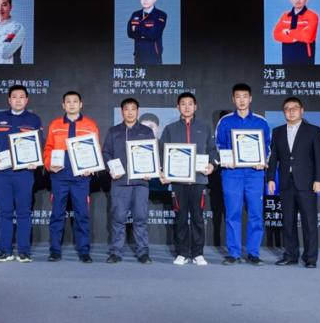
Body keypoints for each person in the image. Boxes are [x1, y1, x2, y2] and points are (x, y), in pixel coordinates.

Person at [0, 85, 43, 262]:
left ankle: (24, 251)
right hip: (3, 173)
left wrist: (35, 160)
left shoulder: (34, 119)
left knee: (24, 212)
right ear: (9, 100)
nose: (18, 100)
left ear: (27, 100)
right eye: (14, 97)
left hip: (24, 173)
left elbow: (39, 144)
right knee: (5, 212)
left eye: (21, 97)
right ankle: (5, 251)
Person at [159, 93, 219, 266]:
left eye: (190, 103)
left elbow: (212, 150)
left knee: (198, 218)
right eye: (183, 104)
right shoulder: (170, 129)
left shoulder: (204, 127)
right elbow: (162, 152)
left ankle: (198, 253)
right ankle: (182, 253)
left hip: (199, 180)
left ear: (195, 106)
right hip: (178, 182)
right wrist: (162, 171)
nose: (186, 107)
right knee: (180, 217)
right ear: (178, 107)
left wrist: (212, 165)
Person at [215, 83, 271, 265]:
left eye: (245, 96)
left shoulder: (261, 122)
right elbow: (218, 146)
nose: (241, 100)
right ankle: (234, 253)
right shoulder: (225, 122)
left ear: (250, 98)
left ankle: (253, 252)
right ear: (233, 99)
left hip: (254, 174)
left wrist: (263, 161)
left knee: (255, 213)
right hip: (232, 173)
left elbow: (268, 147)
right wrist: (226, 160)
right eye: (238, 96)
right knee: (233, 213)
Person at [267, 97, 320, 268]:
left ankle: (310, 258)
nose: (291, 111)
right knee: (288, 222)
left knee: (309, 222)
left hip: (307, 183)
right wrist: (270, 178)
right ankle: (290, 255)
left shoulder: (313, 131)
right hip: (286, 183)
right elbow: (274, 158)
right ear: (283, 112)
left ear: (302, 110)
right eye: (287, 108)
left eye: (295, 108)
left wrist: (319, 179)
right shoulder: (277, 132)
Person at [43, 91, 100, 264]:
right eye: (68, 101)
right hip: (59, 176)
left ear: (81, 104)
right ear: (63, 105)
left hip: (81, 178)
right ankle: (55, 251)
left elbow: (96, 149)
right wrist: (49, 164)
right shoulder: (55, 125)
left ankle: (84, 251)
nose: (72, 104)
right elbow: (48, 148)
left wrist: (92, 167)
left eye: (75, 101)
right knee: (57, 214)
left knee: (82, 215)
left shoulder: (90, 125)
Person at [102, 98, 155, 264]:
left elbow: (153, 154)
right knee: (118, 219)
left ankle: (143, 253)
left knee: (141, 219)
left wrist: (150, 171)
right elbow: (106, 153)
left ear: (138, 111)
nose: (130, 112)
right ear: (122, 112)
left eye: (133, 109)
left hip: (141, 183)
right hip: (120, 183)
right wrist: (111, 169)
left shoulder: (146, 131)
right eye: (126, 109)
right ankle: (115, 252)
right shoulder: (113, 131)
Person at [272, 0, 319, 65]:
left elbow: (308, 36)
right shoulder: (285, 16)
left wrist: (288, 32)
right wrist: (296, 36)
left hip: (305, 56)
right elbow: (276, 35)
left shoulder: (312, 15)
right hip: (287, 55)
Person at [126, 0, 167, 65]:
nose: (145, 0)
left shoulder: (161, 14)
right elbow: (130, 33)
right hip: (138, 55)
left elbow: (154, 34)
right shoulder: (135, 14)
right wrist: (146, 31)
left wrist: (136, 29)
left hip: (154, 55)